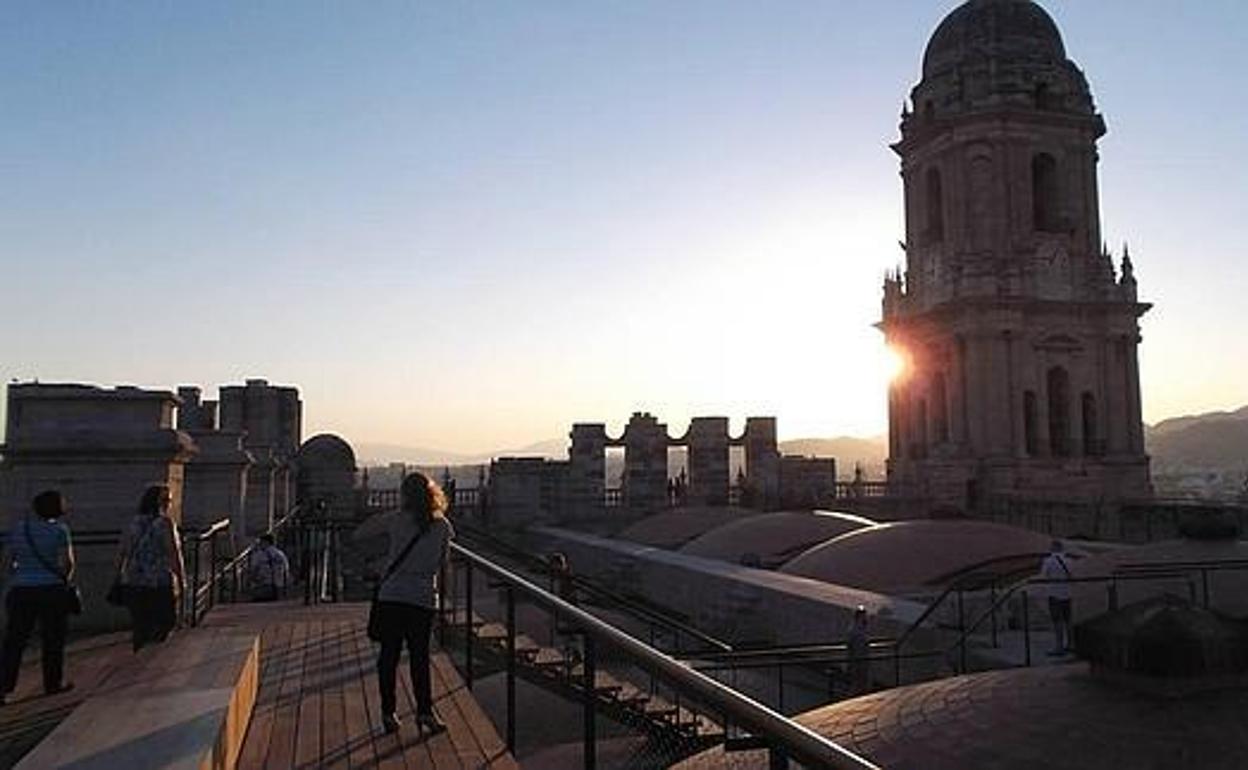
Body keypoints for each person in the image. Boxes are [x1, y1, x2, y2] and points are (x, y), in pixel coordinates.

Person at [372, 472, 454, 735]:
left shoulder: (395, 520)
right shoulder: (443, 526)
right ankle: (425, 712)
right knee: (419, 658)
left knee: (389, 656)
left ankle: (388, 713)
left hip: (392, 594)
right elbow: (444, 567)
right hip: (421, 597)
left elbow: (362, 534)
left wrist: (379, 563)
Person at [0, 490, 77, 703]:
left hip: (21, 589)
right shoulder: (60, 530)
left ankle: (4, 686)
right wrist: (64, 579)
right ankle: (52, 683)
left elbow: (7, 561)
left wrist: (15, 579)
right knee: (53, 639)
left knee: (14, 640)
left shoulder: (18, 530)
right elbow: (67, 562)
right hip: (51, 590)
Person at [115, 485, 186, 652]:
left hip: (134, 581)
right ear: (159, 503)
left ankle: (138, 658)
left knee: (140, 625)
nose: (169, 504)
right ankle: (152, 661)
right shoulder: (165, 524)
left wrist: (119, 575)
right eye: (166, 500)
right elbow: (173, 553)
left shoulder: (133, 523)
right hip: (158, 581)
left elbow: (122, 552)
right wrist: (181, 579)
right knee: (164, 623)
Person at [1040, 539, 1073, 655]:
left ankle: (1059, 646)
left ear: (1053, 548)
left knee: (1057, 621)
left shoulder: (1048, 561)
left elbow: (1043, 576)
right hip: (1067, 593)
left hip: (1054, 594)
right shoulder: (1069, 561)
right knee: (1068, 620)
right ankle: (1070, 644)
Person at [248, 533, 290, 602]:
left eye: (261, 542)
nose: (260, 544)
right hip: (279, 586)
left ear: (266, 542)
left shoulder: (260, 555)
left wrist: (253, 580)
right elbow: (286, 570)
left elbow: (254, 570)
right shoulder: (281, 554)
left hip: (264, 586)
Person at [846, 605, 871, 695]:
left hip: (863, 658)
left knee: (862, 682)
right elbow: (850, 645)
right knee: (857, 682)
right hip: (857, 659)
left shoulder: (862, 628)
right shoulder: (854, 629)